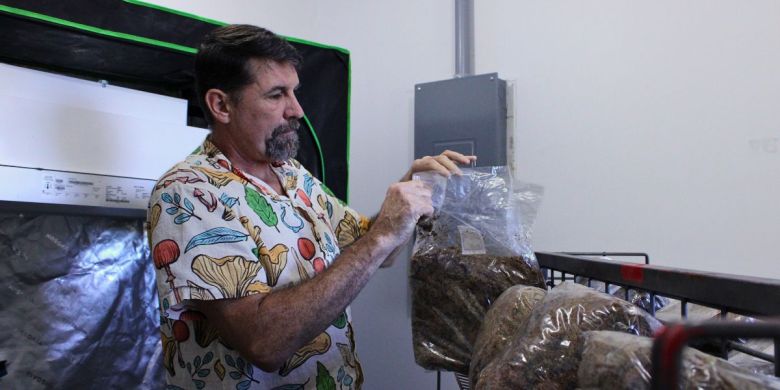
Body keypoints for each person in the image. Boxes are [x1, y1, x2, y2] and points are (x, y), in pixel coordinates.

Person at [147, 24, 475, 389]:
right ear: (221, 105)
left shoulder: (292, 174)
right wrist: (382, 234)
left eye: (294, 92)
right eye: (276, 95)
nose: (298, 110)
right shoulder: (188, 192)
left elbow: (372, 252)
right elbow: (264, 343)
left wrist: (407, 199)